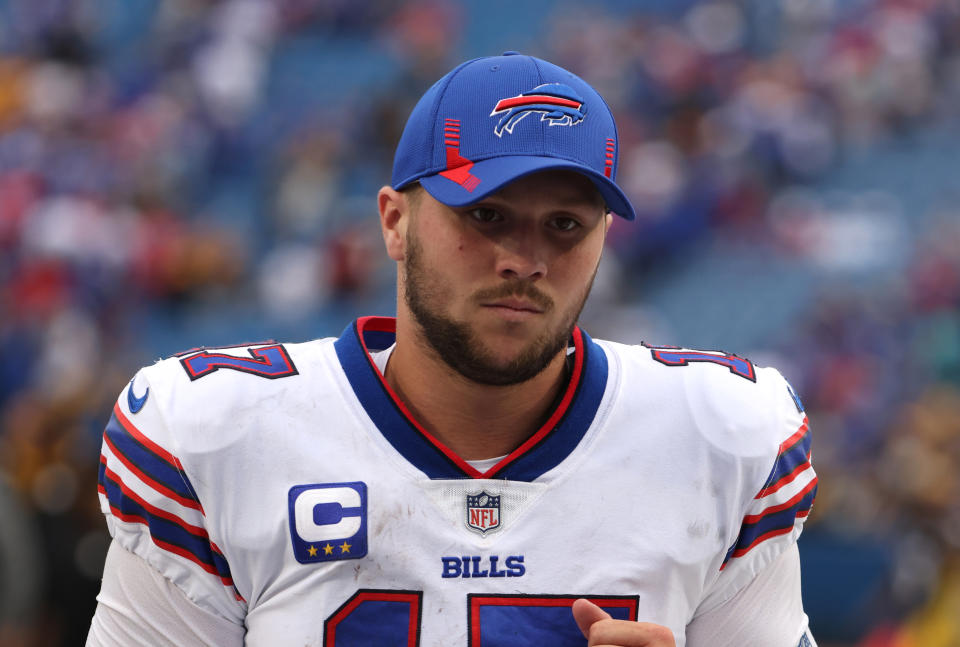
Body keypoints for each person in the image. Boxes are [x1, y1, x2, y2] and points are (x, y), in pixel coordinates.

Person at [87, 52, 818, 647]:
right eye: (487, 214)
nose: (524, 259)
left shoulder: (718, 436)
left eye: (565, 224)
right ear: (395, 221)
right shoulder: (220, 433)